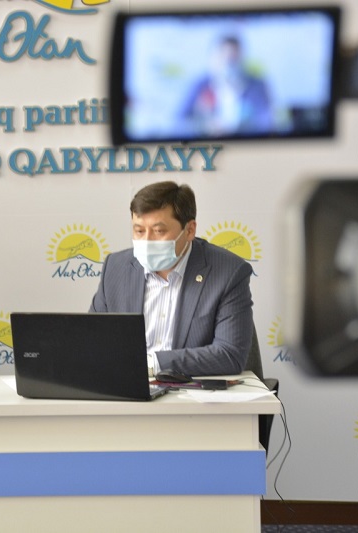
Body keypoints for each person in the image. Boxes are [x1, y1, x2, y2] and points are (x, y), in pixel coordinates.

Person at [89, 181, 253, 377]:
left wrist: (152, 364)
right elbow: (92, 340)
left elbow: (229, 355)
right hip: (124, 387)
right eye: (139, 231)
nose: (147, 241)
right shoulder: (116, 267)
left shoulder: (228, 272)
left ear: (189, 230)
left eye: (159, 231)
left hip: (191, 391)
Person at [179, 35, 273, 136]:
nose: (228, 64)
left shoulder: (256, 86)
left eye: (233, 59)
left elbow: (266, 122)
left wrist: (240, 128)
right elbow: (179, 121)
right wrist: (203, 126)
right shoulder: (199, 84)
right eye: (223, 57)